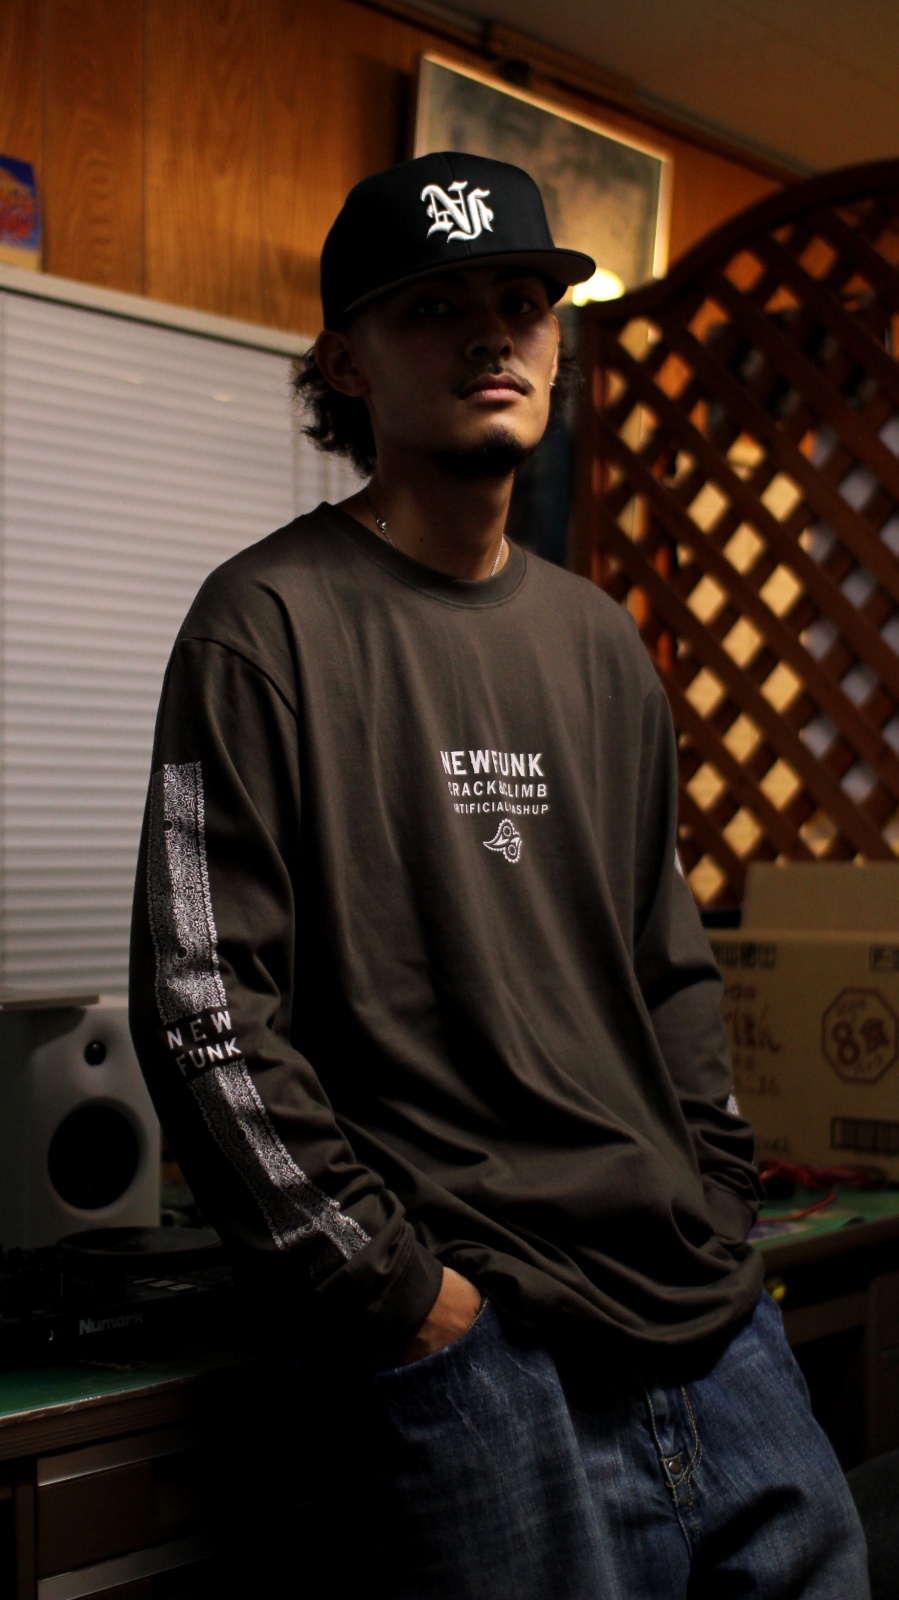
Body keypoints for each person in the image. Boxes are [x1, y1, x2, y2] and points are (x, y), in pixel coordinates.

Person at [129, 151, 868, 1598]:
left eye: (524, 302)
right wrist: (401, 1296)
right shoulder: (260, 627)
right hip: (477, 1345)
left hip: (705, 1312)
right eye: (436, 306)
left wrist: (720, 1202)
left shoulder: (599, 642)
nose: (494, 336)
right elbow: (203, 1008)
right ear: (346, 362)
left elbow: (667, 966)